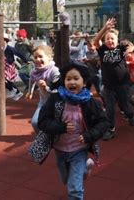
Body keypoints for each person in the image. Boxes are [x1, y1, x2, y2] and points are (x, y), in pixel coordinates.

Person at [38, 62, 109, 200]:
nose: (72, 82)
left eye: (76, 78)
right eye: (68, 79)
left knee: (74, 189)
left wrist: (89, 135)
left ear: (84, 83)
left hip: (79, 149)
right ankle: (85, 168)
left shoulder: (90, 102)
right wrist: (61, 127)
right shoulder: (56, 99)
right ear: (64, 81)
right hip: (60, 149)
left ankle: (81, 170)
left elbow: (104, 122)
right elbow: (43, 121)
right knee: (66, 180)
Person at [93, 18, 134, 140]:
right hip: (109, 86)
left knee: (124, 107)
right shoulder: (102, 50)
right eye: (107, 39)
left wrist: (131, 50)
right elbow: (96, 40)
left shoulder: (121, 48)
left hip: (122, 84)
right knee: (110, 109)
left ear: (117, 40)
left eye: (112, 38)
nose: (110, 40)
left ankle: (131, 115)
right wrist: (105, 28)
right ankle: (110, 129)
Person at [26, 44, 60, 132]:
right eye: (35, 57)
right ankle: (42, 140)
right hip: (43, 102)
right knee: (35, 123)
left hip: (56, 103)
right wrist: (30, 92)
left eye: (40, 56)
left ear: (49, 57)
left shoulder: (54, 71)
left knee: (55, 125)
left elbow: (59, 90)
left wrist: (46, 88)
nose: (37, 59)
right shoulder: (35, 71)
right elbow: (31, 79)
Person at [3, 34, 29, 100]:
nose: (2, 43)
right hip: (3, 66)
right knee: (7, 80)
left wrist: (25, 61)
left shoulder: (10, 48)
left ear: (6, 41)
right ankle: (17, 91)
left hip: (9, 66)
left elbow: (19, 54)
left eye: (3, 41)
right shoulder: (0, 48)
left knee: (5, 79)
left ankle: (13, 90)